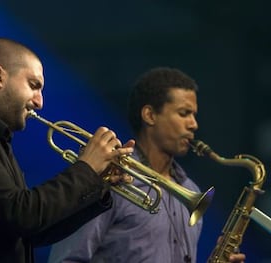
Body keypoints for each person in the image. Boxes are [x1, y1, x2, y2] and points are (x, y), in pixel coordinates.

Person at [0, 38, 135, 263]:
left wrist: (99, 183)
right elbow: (22, 215)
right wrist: (87, 168)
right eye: (34, 85)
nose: (40, 102)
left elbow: (32, 232)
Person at [47, 67, 246, 263]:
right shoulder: (110, 177)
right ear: (150, 115)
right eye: (184, 113)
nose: (194, 124)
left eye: (193, 115)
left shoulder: (191, 190)